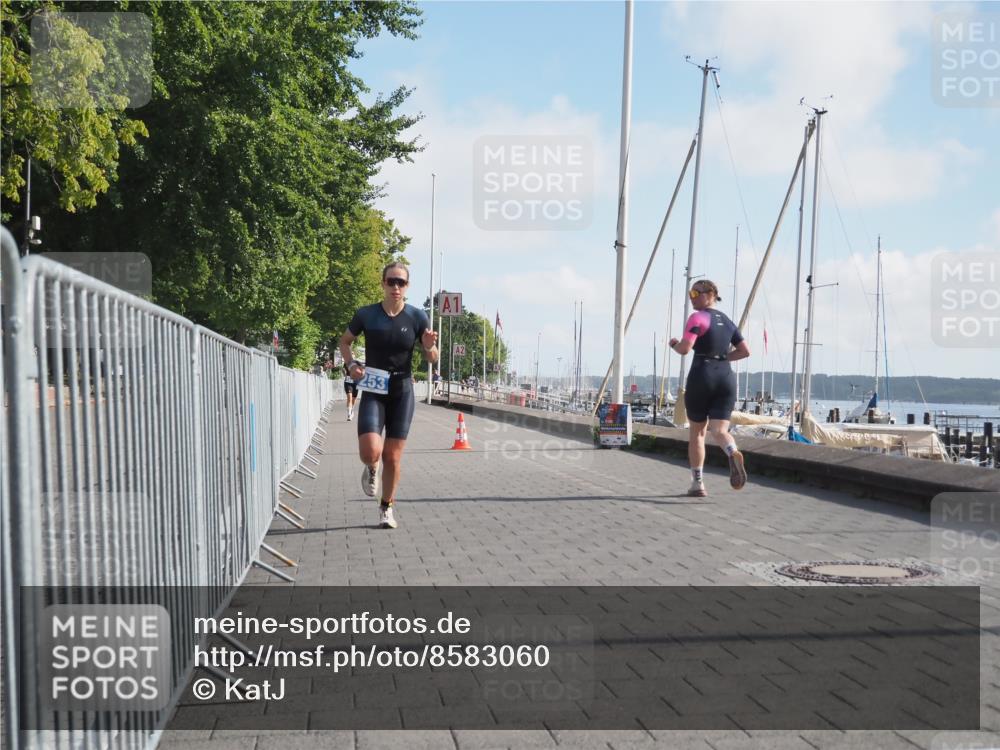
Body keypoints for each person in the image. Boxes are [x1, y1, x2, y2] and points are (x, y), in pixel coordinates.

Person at [339, 262, 439, 529]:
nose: (396, 287)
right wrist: (351, 365)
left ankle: (387, 507)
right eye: (391, 281)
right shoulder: (366, 314)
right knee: (371, 451)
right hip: (373, 388)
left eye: (401, 282)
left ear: (407, 287)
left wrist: (429, 347)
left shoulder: (418, 317)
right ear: (382, 283)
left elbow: (432, 358)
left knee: (393, 457)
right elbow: (344, 341)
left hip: (402, 391)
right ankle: (372, 468)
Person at [669, 280, 750, 497]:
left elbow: (686, 349)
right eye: (690, 293)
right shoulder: (728, 321)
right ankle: (732, 452)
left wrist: (674, 344)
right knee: (720, 431)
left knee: (697, 432)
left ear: (711, 294)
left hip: (702, 375)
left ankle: (698, 484)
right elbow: (744, 351)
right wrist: (724, 358)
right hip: (725, 378)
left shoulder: (698, 317)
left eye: (696, 292)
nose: (692, 297)